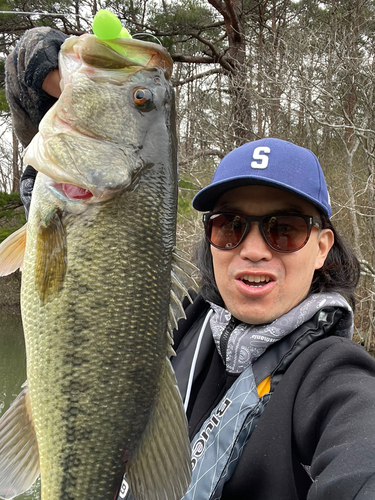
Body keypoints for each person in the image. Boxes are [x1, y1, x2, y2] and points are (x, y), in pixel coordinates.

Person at [6, 27, 375, 500]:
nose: (255, 249)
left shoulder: (338, 384)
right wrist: (54, 105)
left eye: (285, 229)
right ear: (210, 236)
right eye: (230, 225)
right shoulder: (173, 325)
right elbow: (74, 254)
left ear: (322, 246)